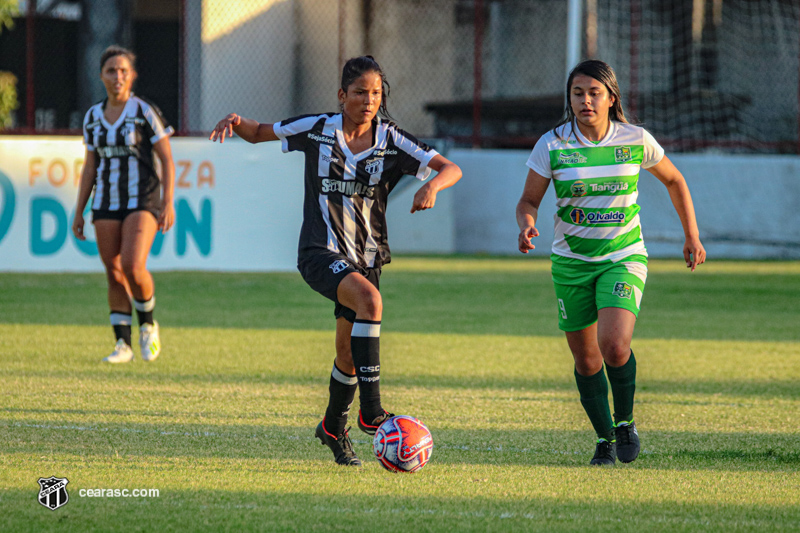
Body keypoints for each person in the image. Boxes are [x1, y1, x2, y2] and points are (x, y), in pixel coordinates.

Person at [210, 56, 461, 466]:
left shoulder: (391, 138)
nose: (368, 100)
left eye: (376, 93)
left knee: (348, 353)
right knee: (371, 304)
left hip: (366, 258)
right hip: (320, 250)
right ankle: (371, 412)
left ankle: (331, 426)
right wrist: (236, 122)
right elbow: (258, 133)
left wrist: (432, 186)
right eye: (360, 92)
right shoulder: (317, 128)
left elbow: (450, 168)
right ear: (342, 95)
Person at [516, 59, 706, 465]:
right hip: (570, 262)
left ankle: (626, 422)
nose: (586, 100)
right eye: (578, 93)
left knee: (614, 346)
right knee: (586, 360)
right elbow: (528, 201)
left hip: (623, 256)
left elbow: (674, 180)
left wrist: (691, 233)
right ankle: (604, 439)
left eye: (594, 92)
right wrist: (527, 225)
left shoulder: (635, 139)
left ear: (611, 97)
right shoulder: (552, 145)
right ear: (569, 99)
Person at [72, 45, 175, 364]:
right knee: (113, 271)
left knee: (132, 264)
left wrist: (167, 201)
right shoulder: (92, 116)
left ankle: (148, 326)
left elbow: (167, 160)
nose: (117, 76)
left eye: (123, 71)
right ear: (101, 75)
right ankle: (123, 345)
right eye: (111, 71)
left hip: (142, 198)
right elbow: (90, 166)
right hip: (105, 201)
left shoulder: (144, 111)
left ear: (132, 76)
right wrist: (80, 209)